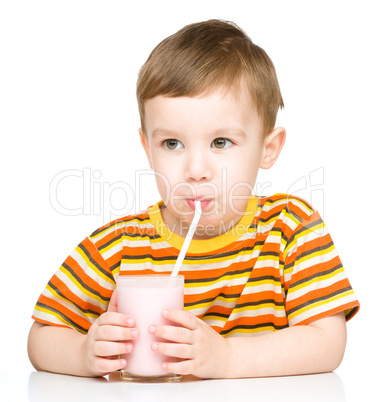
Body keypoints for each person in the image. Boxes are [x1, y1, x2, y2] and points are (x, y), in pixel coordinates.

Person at [28, 19, 359, 379]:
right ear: (147, 149)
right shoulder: (120, 247)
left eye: (221, 143)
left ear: (268, 149)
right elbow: (41, 338)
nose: (196, 170)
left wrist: (227, 357)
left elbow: (328, 342)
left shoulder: (290, 229)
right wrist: (82, 353)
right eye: (172, 143)